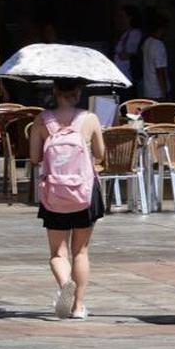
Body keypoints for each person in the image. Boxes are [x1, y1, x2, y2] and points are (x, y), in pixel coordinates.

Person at [29, 78, 105, 321]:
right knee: (81, 251)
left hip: (54, 193)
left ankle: (64, 284)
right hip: (84, 191)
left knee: (57, 253)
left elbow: (33, 158)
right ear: (78, 92)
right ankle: (79, 307)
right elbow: (102, 154)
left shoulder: (42, 120)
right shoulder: (89, 118)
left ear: (54, 91)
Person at [142, 14, 171, 101]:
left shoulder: (147, 42)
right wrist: (164, 93)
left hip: (148, 90)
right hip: (158, 92)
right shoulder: (158, 45)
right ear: (161, 29)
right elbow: (160, 71)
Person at [111, 5, 143, 85]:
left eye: (122, 16)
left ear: (130, 17)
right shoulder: (126, 33)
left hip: (128, 76)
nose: (120, 19)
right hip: (121, 75)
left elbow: (125, 55)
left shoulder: (135, 33)